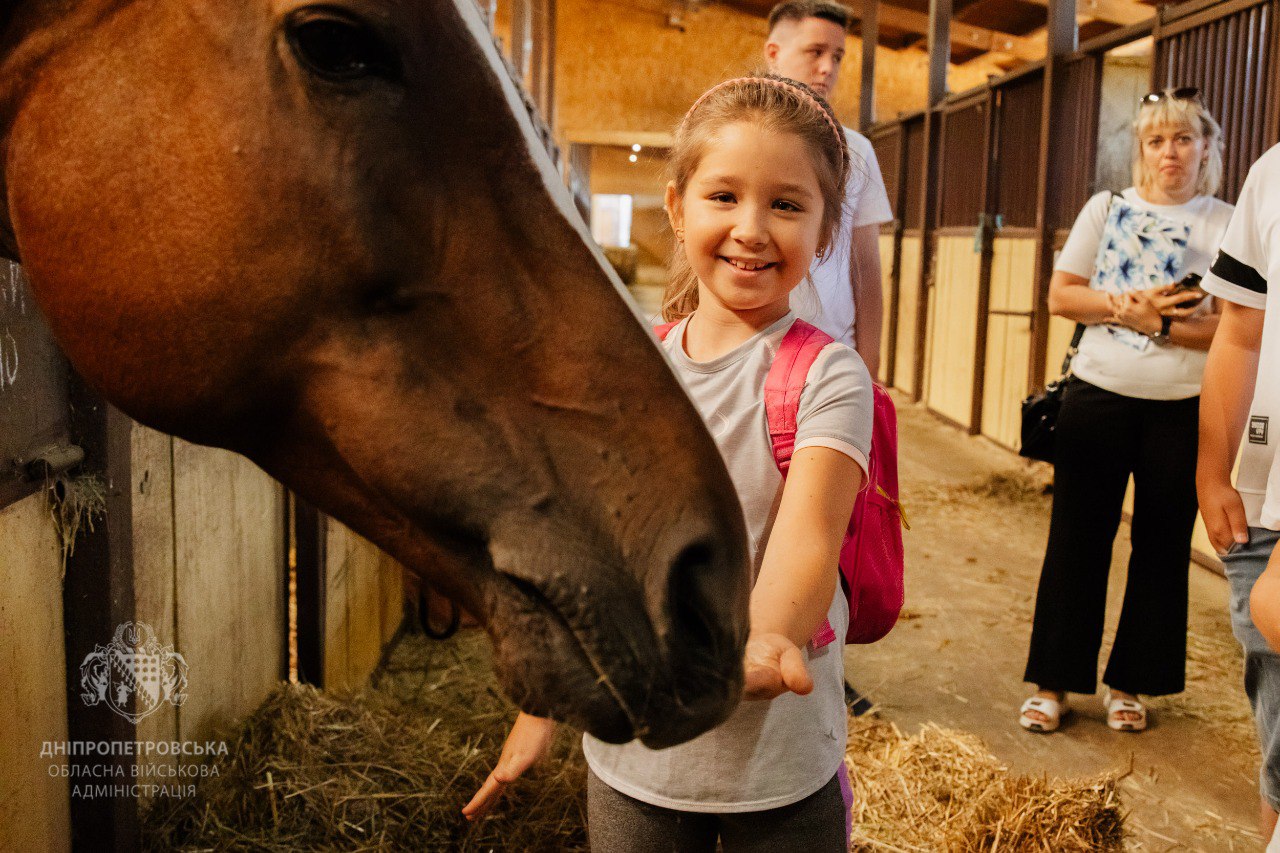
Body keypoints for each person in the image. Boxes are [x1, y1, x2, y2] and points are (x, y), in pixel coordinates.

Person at [463, 74, 874, 852]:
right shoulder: (631, 363)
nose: (752, 228)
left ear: (825, 230)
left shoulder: (828, 375)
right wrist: (541, 702)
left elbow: (810, 535)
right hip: (637, 755)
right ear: (678, 207)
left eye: (787, 205)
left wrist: (768, 637)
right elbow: (588, 545)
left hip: (776, 761)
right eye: (724, 196)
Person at [1019, 88, 1233, 734]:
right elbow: (1062, 296)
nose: (1171, 152)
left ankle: (1130, 684)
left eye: (1184, 139)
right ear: (1141, 149)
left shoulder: (1226, 222)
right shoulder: (1107, 208)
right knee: (1076, 538)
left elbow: (1234, 329)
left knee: (1162, 547)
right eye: (1157, 140)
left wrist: (1164, 327)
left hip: (1182, 406)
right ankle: (1052, 682)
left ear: (1206, 147)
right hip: (1098, 394)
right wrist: (1127, 308)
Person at [1199, 143, 1280, 849]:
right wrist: (1215, 469)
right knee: (1277, 724)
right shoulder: (1273, 172)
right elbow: (1241, 329)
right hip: (1265, 496)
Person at [764, 1, 893, 378]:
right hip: (752, 349)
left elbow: (866, 266)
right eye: (815, 52)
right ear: (774, 53)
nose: (828, 68)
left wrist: (868, 367)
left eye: (837, 57)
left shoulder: (856, 150)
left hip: (831, 356)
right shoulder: (738, 140)